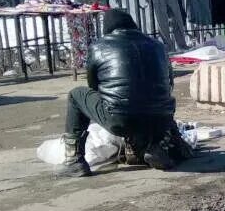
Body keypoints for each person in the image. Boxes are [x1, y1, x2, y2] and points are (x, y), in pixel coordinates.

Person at [60, 9, 185, 176]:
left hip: (121, 119)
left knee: (76, 95)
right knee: (149, 102)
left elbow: (94, 86)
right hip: (162, 119)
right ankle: (155, 146)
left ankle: (74, 160)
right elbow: (169, 83)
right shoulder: (157, 45)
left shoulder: (99, 47)